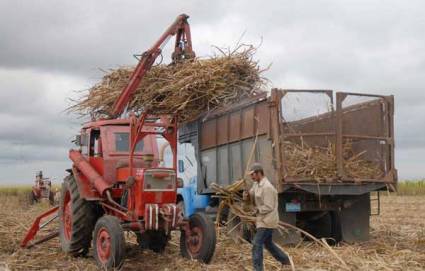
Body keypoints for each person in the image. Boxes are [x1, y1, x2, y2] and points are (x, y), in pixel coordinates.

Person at [243, 163, 290, 271]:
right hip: (262, 220)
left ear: (259, 173)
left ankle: (258, 269)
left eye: (253, 174)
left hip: (268, 220)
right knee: (268, 244)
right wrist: (247, 195)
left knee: (256, 243)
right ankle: (285, 260)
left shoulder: (267, 187)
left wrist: (256, 210)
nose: (252, 177)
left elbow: (269, 206)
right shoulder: (256, 184)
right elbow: (251, 195)